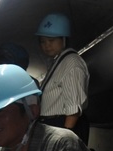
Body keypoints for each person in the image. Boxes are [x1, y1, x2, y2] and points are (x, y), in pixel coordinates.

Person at [35, 13, 90, 143]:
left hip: (63, 127)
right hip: (52, 126)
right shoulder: (58, 63)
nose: (47, 45)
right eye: (43, 41)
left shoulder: (71, 63)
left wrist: (64, 139)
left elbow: (73, 108)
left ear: (64, 39)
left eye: (51, 40)